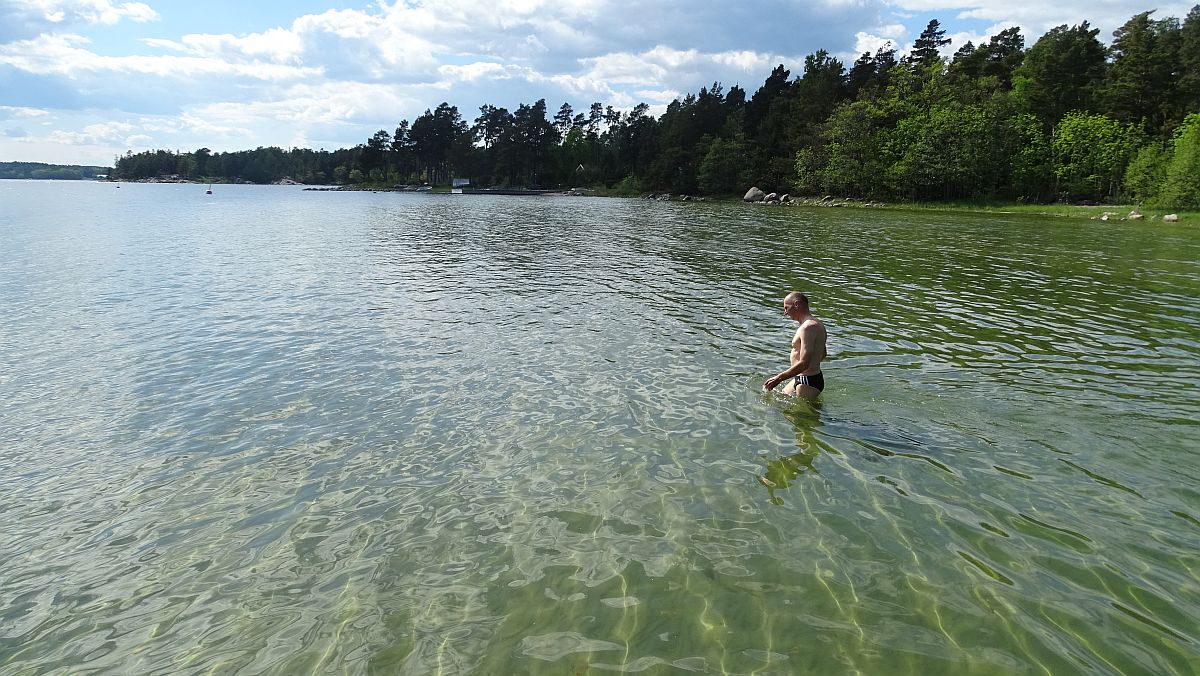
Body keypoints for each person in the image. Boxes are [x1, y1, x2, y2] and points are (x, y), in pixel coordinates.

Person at [763, 291, 827, 400]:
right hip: (805, 377)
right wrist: (813, 365)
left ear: (796, 304)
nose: (785, 313)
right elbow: (823, 353)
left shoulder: (808, 328)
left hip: (807, 382)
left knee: (805, 415)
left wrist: (778, 378)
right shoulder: (816, 323)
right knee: (778, 398)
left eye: (786, 308)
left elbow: (804, 363)